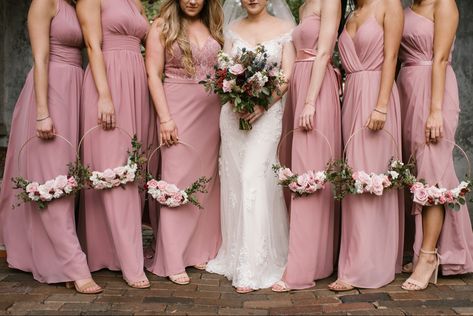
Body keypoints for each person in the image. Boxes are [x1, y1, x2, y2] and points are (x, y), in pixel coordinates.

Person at [0, 0, 101, 294]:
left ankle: (54, 254)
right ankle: (73, 266)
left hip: (74, 89)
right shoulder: (43, 3)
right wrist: (42, 112)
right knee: (53, 176)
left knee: (69, 178)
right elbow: (40, 58)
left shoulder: (76, 5)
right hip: (51, 90)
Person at [205, 0, 296, 293]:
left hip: (267, 115)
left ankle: (255, 265)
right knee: (234, 182)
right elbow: (223, 73)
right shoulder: (231, 29)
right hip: (233, 116)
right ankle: (236, 254)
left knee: (253, 178)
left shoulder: (286, 29)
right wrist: (236, 97)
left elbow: (286, 76)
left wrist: (262, 105)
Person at [144, 0, 224, 285]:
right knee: (176, 179)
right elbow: (153, 73)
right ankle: (173, 256)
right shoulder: (161, 26)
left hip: (212, 111)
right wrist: (165, 118)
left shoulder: (215, 24)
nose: (192, 0)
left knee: (206, 180)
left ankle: (199, 249)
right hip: (177, 106)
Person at [77, 0, 154, 289]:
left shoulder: (137, 2)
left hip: (137, 82)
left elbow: (150, 39)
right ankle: (130, 262)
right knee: (113, 168)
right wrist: (104, 95)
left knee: (135, 169)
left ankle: (114, 252)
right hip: (108, 79)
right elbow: (92, 46)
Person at [329, 0, 404, 290]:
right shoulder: (350, 13)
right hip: (352, 99)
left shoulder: (390, 5)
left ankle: (368, 266)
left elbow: (392, 55)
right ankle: (354, 260)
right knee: (354, 180)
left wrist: (382, 105)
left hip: (376, 96)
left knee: (372, 179)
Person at [398, 0, 473, 291]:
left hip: (434, 92)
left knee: (432, 174)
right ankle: (422, 250)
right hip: (407, 88)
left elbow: (440, 59)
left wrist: (435, 110)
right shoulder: (406, 8)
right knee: (414, 172)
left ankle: (428, 257)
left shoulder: (444, 4)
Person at [272, 0, 342, 292]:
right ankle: (317, 260)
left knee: (308, 176)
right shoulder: (303, 7)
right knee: (299, 172)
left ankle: (300, 271)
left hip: (316, 87)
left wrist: (310, 101)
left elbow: (324, 52)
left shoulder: (331, 1)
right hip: (299, 85)